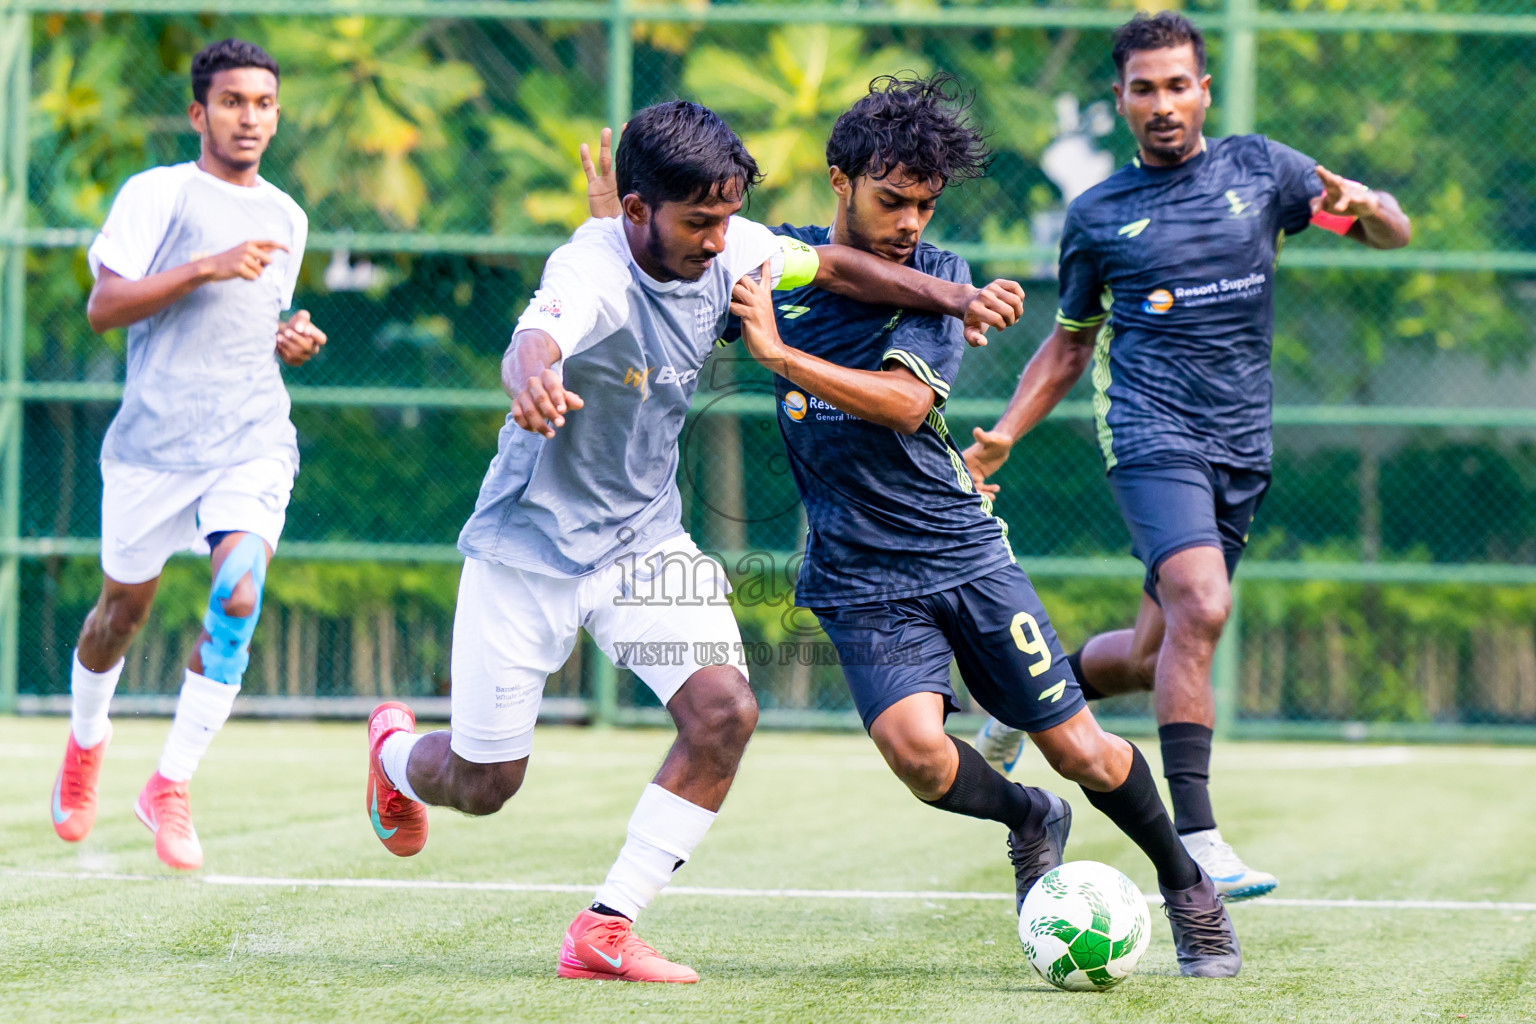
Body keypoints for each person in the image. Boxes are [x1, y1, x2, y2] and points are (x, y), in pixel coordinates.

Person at [362, 100, 1026, 985]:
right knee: (485, 785)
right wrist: (531, 381)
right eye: (698, 222)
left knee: (723, 714)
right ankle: (395, 757)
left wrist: (957, 296)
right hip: (529, 553)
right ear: (635, 210)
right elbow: (534, 339)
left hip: (643, 543)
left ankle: (607, 926)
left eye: (726, 218)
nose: (720, 243)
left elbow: (834, 267)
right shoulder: (589, 267)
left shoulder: (737, 245)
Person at [706, 72, 1241, 979]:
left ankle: (1188, 884)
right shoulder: (778, 262)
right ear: (840, 182)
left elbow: (907, 405)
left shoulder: (940, 279)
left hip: (960, 552)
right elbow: (682, 279)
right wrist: (621, 234)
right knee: (918, 754)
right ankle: (1029, 818)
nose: (911, 222)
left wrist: (777, 355)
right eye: (892, 201)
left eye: (925, 203)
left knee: (1082, 750)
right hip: (853, 571)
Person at [965, 11, 1411, 901]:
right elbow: (1068, 345)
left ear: (1203, 89)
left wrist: (1368, 205)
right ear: (1121, 100)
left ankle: (1013, 693)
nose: (1163, 103)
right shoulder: (1097, 217)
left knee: (1148, 652)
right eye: (1144, 89)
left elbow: (1389, 234)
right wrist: (1005, 434)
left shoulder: (1266, 171)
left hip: (1242, 445)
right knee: (1204, 603)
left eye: (1178, 85)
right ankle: (1199, 841)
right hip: (1148, 435)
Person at [50, 39, 326, 871]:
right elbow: (106, 306)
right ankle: (87, 740)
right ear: (199, 113)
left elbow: (251, 324)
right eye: (234, 102)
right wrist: (206, 266)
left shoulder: (288, 215)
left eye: (265, 104)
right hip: (153, 446)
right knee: (118, 619)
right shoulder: (157, 194)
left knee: (238, 591)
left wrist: (290, 339)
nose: (250, 117)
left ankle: (169, 783)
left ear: (277, 116)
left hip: (250, 437)